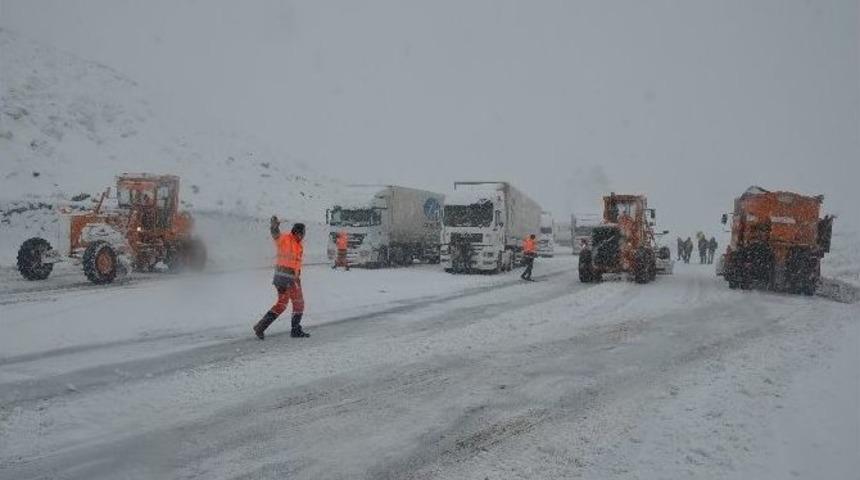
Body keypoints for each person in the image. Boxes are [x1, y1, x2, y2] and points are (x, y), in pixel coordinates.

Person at [253, 216, 310, 340]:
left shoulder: (299, 245)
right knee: (296, 304)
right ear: (298, 232)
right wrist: (274, 227)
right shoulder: (285, 239)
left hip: (290, 277)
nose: (303, 236)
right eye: (303, 233)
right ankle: (294, 330)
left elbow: (296, 263)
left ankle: (261, 327)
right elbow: (276, 235)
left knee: (285, 304)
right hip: (285, 278)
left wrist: (297, 276)